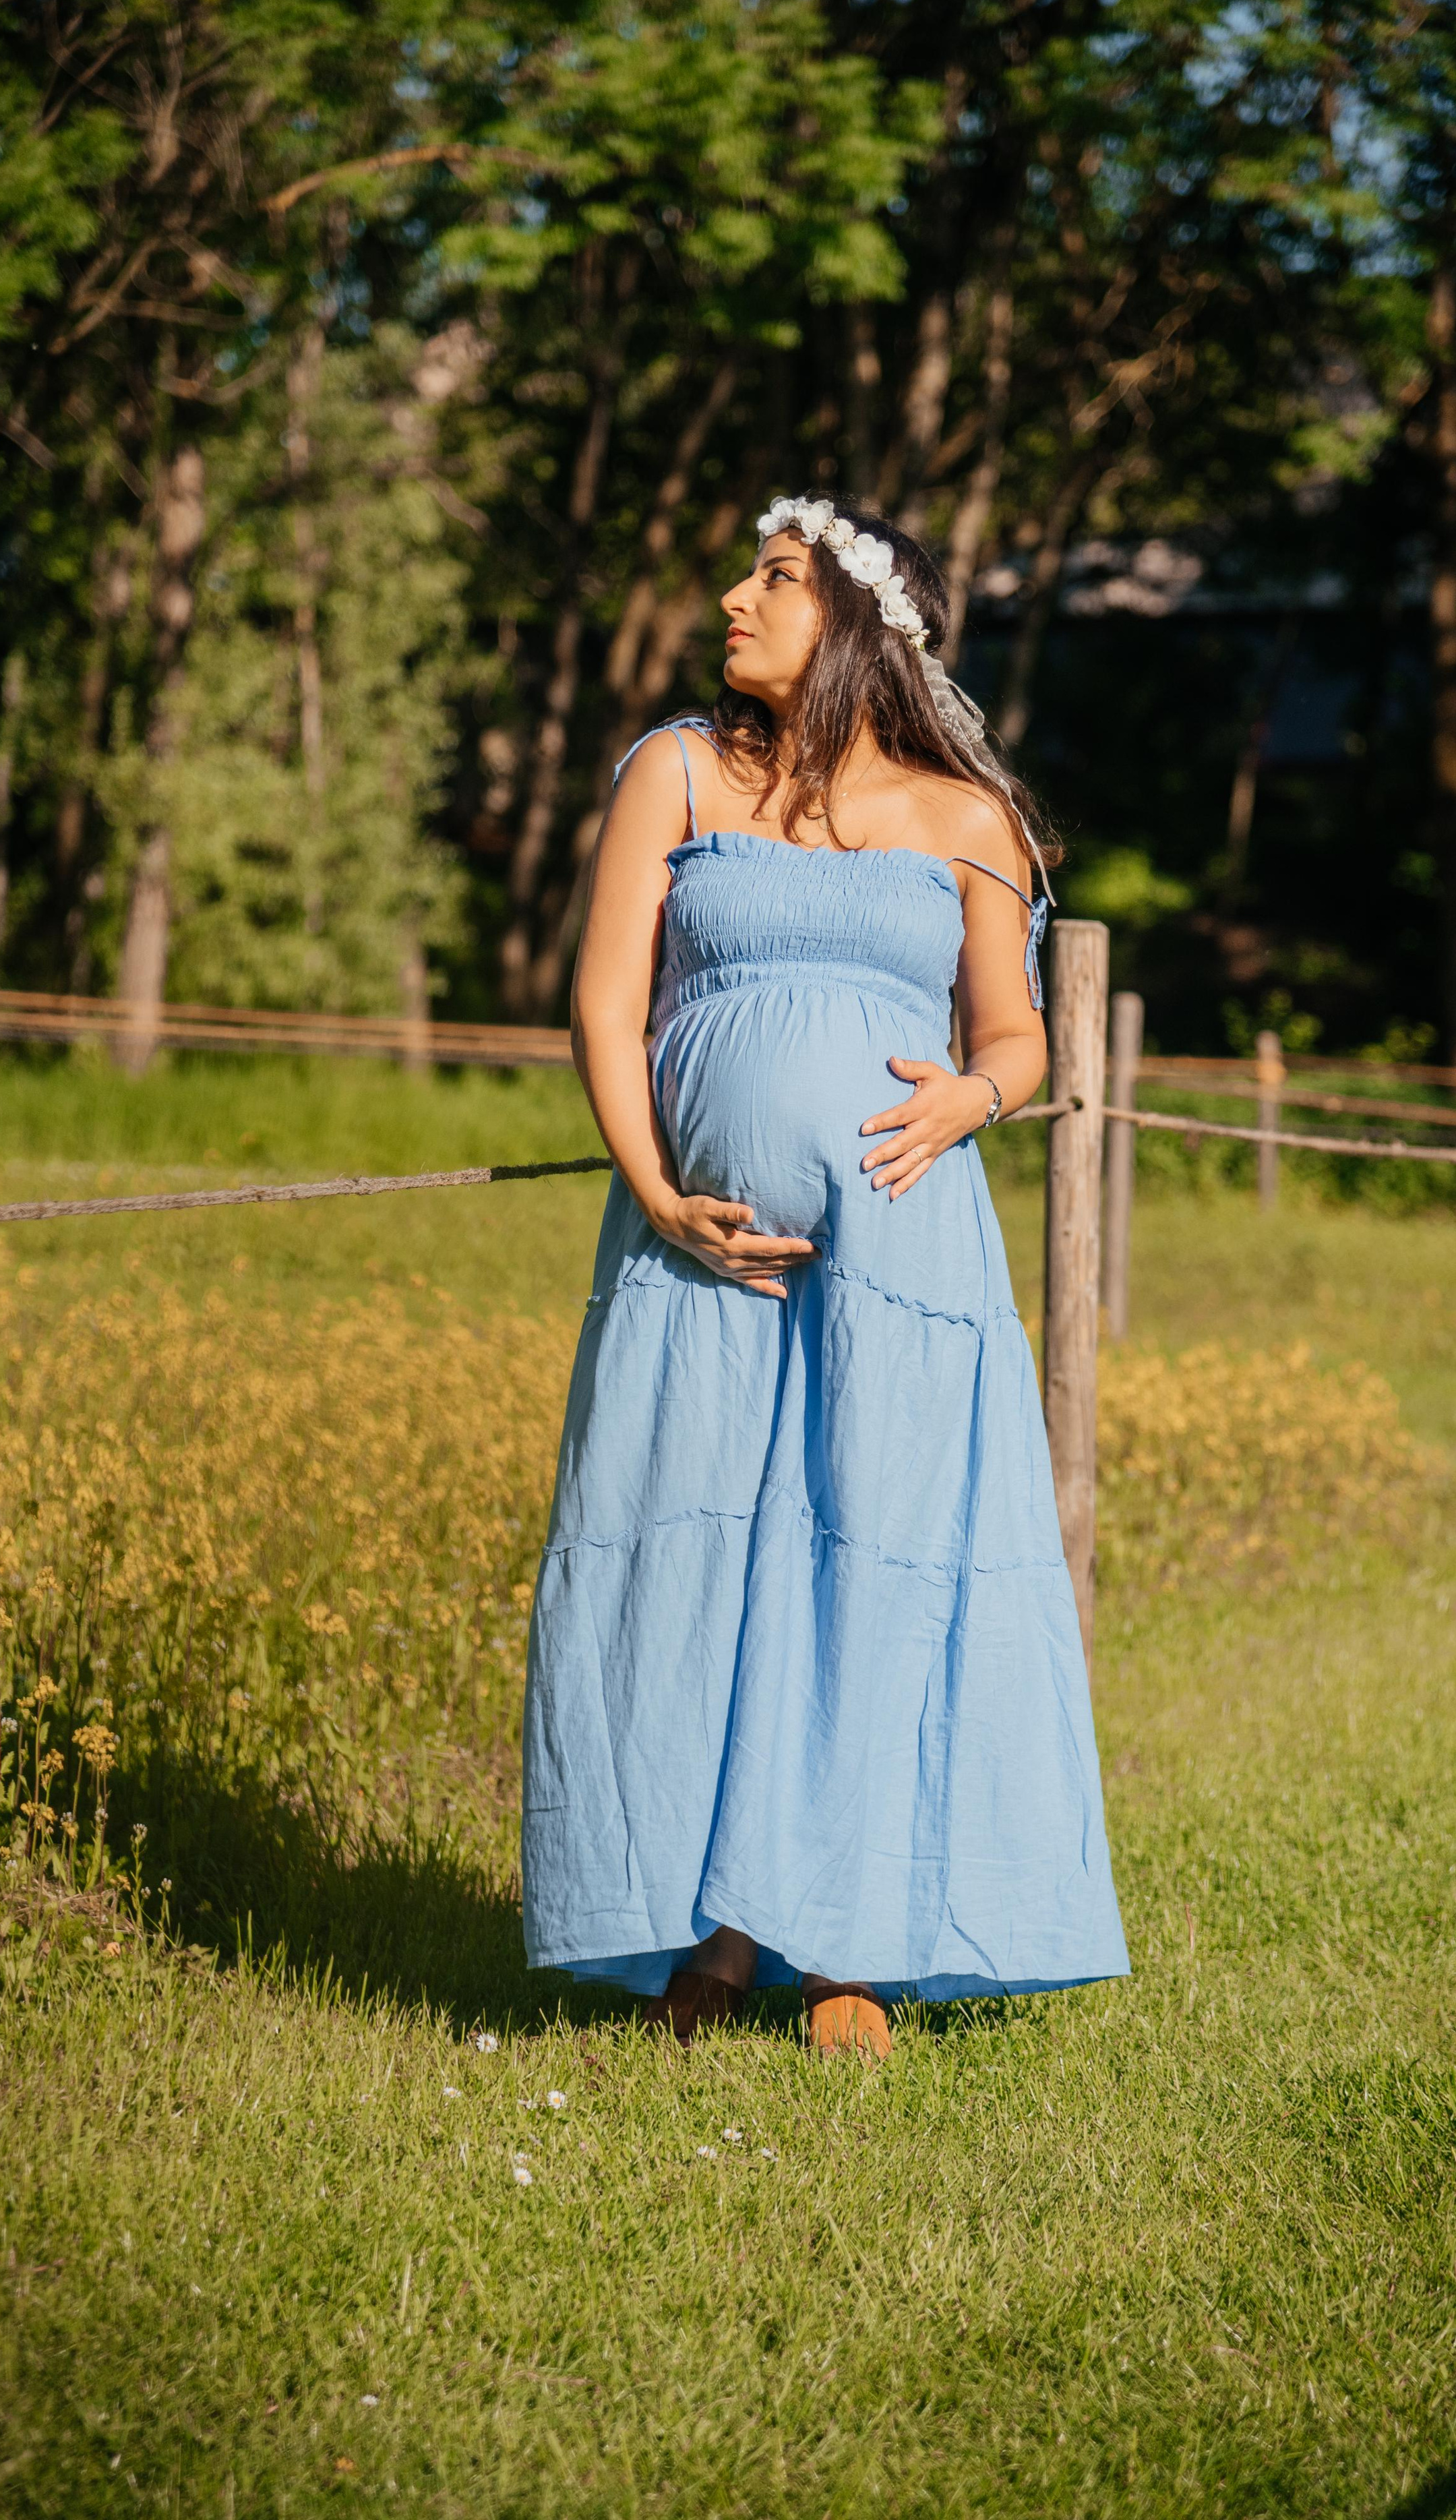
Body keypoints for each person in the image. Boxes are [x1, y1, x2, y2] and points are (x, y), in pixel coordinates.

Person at [521, 493, 1128, 2059]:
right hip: (698, 1255)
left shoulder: (963, 818)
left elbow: (1015, 1036)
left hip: (901, 1244)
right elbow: (603, 1003)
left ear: (859, 622)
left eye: (771, 579)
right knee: (694, 1562)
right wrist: (657, 1193)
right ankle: (709, 1930)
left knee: (867, 1559)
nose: (731, 598)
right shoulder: (675, 771)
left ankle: (847, 1942)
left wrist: (966, 1099)